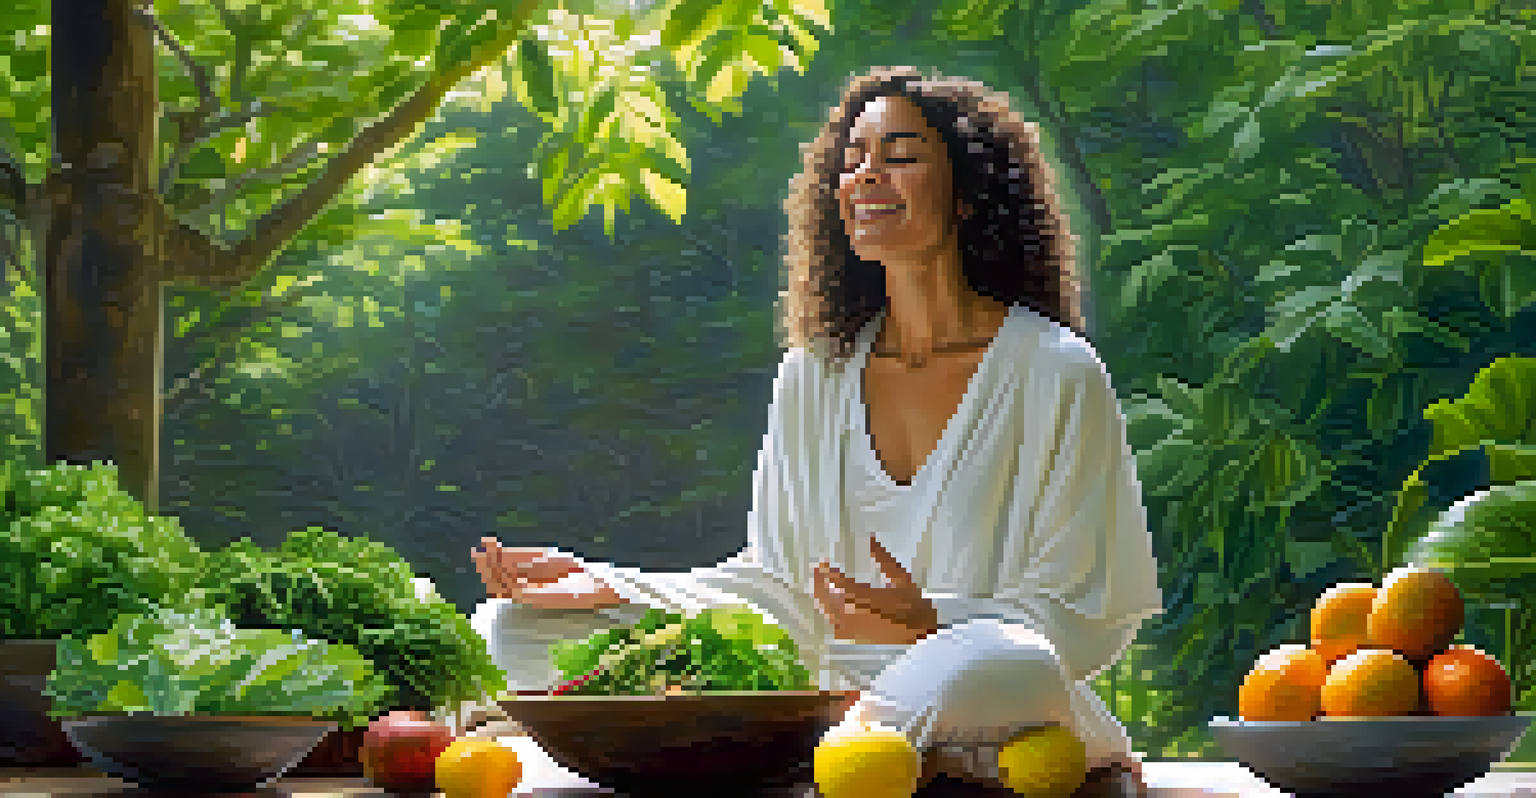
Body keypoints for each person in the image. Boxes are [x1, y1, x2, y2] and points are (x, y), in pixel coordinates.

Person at [470, 66, 1162, 795]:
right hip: (818, 689)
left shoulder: (1055, 370)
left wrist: (933, 619)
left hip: (979, 676)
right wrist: (612, 587)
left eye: (899, 155)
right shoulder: (816, 372)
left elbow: (1086, 621)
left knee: (1008, 661)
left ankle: (849, 743)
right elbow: (779, 587)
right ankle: (880, 748)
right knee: (506, 631)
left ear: (967, 194)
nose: (865, 176)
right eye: (853, 158)